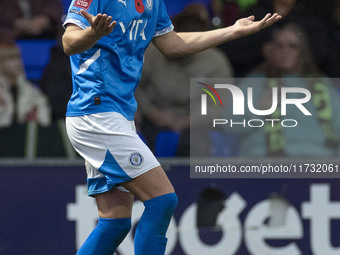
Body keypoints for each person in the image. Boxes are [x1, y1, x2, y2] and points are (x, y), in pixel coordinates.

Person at [61, 0, 281, 253]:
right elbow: (69, 42)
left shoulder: (153, 2)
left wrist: (232, 30)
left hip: (118, 116)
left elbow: (172, 44)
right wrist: (93, 33)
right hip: (97, 114)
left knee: (115, 222)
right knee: (162, 200)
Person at [226, 23, 340, 157]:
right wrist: (257, 110)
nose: (285, 51)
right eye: (279, 46)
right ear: (271, 50)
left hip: (318, 162)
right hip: (266, 164)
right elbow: (229, 126)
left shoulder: (322, 83)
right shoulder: (254, 82)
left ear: (302, 53)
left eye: (292, 46)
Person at [136, 4, 234, 156]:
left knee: (194, 144)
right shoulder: (152, 52)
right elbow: (134, 86)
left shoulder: (216, 61)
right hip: (152, 119)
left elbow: (222, 106)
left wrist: (190, 120)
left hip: (196, 125)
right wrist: (151, 112)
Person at [0, 45, 51, 127]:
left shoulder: (29, 88)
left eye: (18, 58)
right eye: (10, 59)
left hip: (23, 136)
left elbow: (43, 112)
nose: (17, 63)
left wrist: (36, 119)